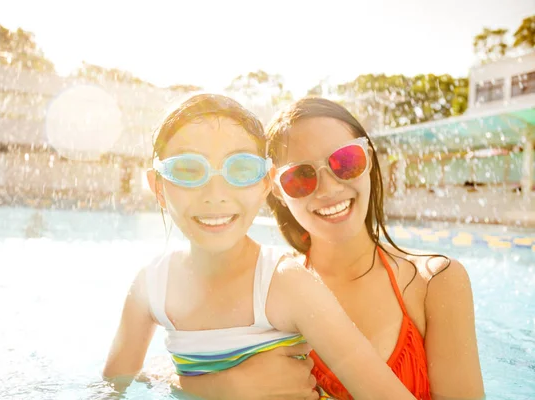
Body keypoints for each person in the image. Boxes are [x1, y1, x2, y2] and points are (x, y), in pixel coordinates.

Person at [103, 94, 418, 400]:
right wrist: (212, 388)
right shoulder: (151, 286)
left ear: (266, 183)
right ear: (158, 186)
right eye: (187, 170)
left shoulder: (287, 283)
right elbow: (112, 388)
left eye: (240, 170)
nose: (216, 194)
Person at [180, 98, 485, 400]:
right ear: (277, 190)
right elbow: (166, 369)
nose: (329, 189)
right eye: (300, 176)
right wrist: (226, 386)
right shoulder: (269, 289)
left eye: (346, 162)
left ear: (368, 159)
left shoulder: (435, 283)